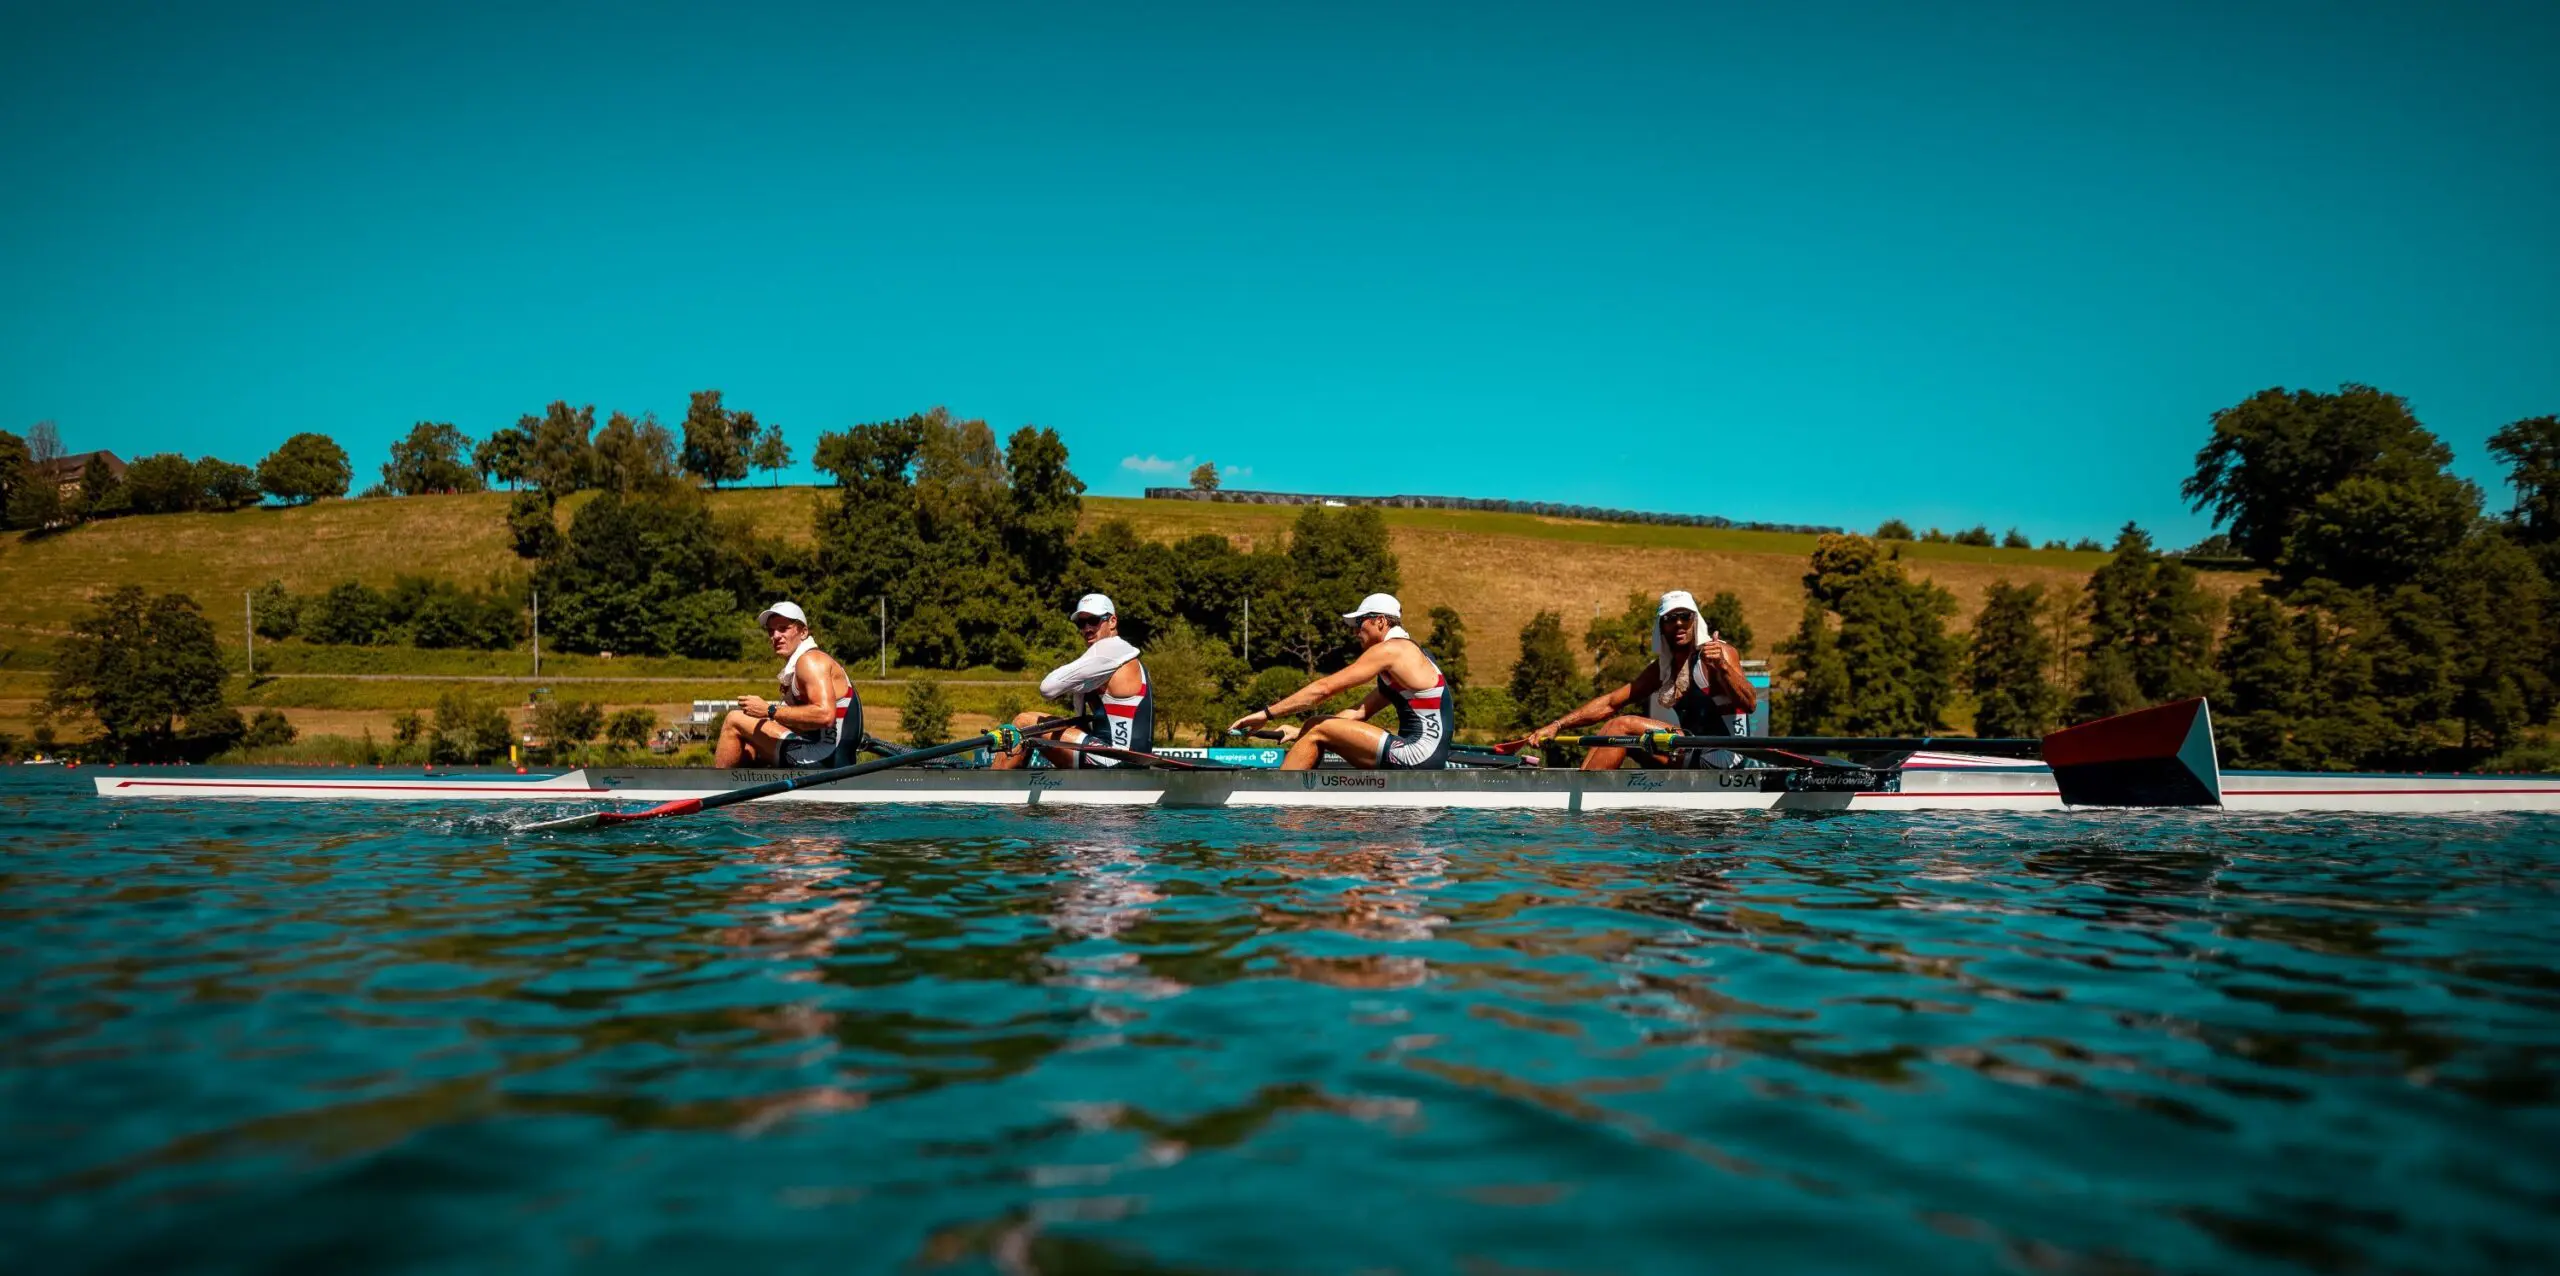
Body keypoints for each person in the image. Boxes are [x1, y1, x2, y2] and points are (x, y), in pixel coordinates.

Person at [1511, 589, 1756, 770]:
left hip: (1728, 757)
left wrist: (1722, 667)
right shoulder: (1663, 667)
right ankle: (1582, 789)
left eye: (1685, 616)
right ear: (1661, 627)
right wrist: (1557, 725)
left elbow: (1749, 704)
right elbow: (1611, 702)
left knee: (1622, 727)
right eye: (1671, 619)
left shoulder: (1717, 653)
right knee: (1619, 734)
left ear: (1695, 620)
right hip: (1695, 750)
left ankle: (1581, 795)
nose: (1679, 623)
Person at [1226, 592, 1455, 771]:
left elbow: (1323, 689)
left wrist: (1266, 714)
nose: (1356, 632)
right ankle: (1297, 797)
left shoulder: (1392, 650)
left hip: (1417, 754)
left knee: (1319, 727)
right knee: (1316, 727)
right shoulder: (1408, 657)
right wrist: (1300, 730)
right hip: (1424, 755)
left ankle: (1278, 800)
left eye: (1360, 623)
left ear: (1381, 621)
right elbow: (1358, 713)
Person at [991, 593, 1155, 769]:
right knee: (1047, 726)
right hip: (1130, 759)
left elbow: (1047, 688)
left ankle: (994, 786)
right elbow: (1080, 721)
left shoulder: (1111, 650)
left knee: (1023, 722)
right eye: (1081, 623)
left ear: (1113, 621)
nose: (1087, 628)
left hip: (1115, 759)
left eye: (1093, 620)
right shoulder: (1126, 656)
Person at [715, 601, 862, 768]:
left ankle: (717, 788)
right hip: (830, 757)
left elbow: (825, 715)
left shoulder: (810, 661)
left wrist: (769, 711)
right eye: (771, 631)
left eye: (783, 628)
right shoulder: (802, 664)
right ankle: (747, 786)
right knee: (751, 738)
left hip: (822, 758)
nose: (776, 636)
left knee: (733, 720)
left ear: (804, 632)